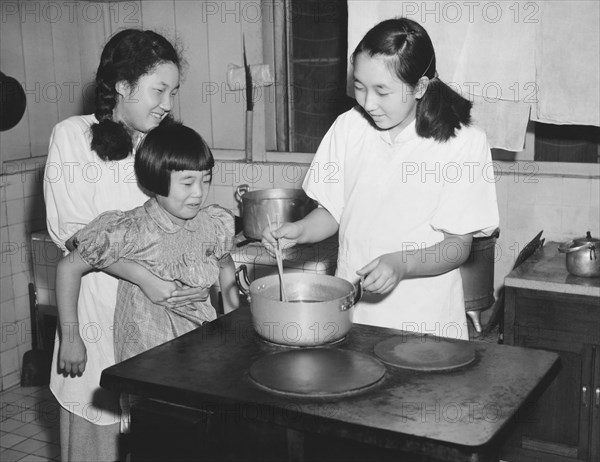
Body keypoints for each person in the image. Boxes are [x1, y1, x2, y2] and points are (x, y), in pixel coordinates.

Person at [263, 18, 499, 341]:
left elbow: (458, 246)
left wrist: (402, 264)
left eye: (382, 91)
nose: (367, 103)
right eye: (359, 86)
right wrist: (298, 231)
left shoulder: (463, 142)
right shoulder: (349, 128)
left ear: (420, 87)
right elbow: (333, 212)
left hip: (425, 326)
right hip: (352, 318)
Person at [43, 29, 203, 462]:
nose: (167, 103)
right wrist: (141, 277)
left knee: (153, 436)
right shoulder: (72, 137)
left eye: (173, 91)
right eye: (158, 90)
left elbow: (178, 222)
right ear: (122, 86)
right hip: (95, 313)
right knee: (97, 437)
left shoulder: (160, 144)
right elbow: (75, 236)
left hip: (155, 324)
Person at [55, 121, 238, 377]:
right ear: (156, 179)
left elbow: (225, 263)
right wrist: (71, 337)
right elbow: (67, 268)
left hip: (200, 352)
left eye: (205, 181)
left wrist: (233, 322)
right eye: (187, 183)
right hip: (146, 361)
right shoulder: (131, 229)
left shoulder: (212, 224)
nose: (198, 193)